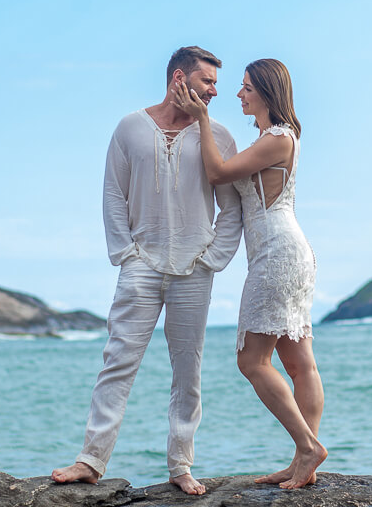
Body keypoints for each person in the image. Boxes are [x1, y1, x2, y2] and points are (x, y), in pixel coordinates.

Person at [51, 46, 243, 496]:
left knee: (188, 370)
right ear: (179, 78)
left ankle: (181, 465)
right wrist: (126, 253)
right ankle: (91, 461)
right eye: (207, 81)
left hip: (194, 269)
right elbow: (112, 194)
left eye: (215, 83)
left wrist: (212, 258)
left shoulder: (219, 136)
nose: (214, 91)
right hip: (141, 263)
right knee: (117, 362)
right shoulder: (130, 128)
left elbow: (232, 208)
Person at [173, 58, 326, 490]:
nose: (238, 94)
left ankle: (308, 448)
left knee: (252, 361)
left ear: (266, 92)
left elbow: (218, 172)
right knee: (298, 362)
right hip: (286, 252)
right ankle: (304, 461)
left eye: (246, 87)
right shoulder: (272, 137)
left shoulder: (278, 138)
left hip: (277, 254)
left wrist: (202, 119)